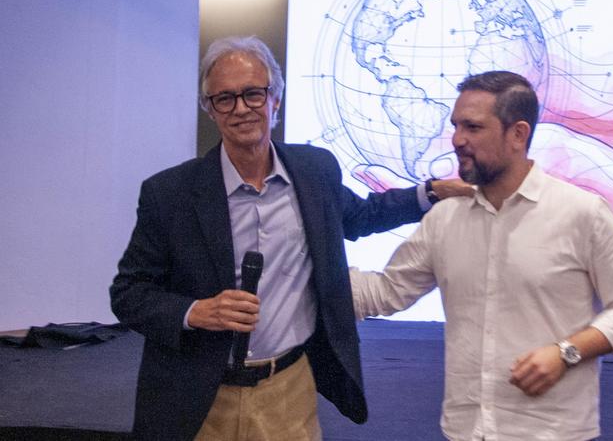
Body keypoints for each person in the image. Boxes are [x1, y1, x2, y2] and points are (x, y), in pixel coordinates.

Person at [109, 35, 469, 441]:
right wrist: (196, 311)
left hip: (288, 394)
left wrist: (431, 192)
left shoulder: (314, 171)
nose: (241, 108)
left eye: (253, 94)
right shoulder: (169, 194)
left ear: (275, 99)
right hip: (198, 401)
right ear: (209, 109)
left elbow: (361, 216)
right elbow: (128, 294)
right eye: (224, 98)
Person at [350, 70, 613, 440]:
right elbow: (384, 292)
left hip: (554, 432)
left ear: (518, 134)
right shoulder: (445, 218)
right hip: (466, 430)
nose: (457, 139)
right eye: (456, 126)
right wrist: (302, 266)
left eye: (473, 127)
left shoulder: (580, 212)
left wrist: (567, 353)